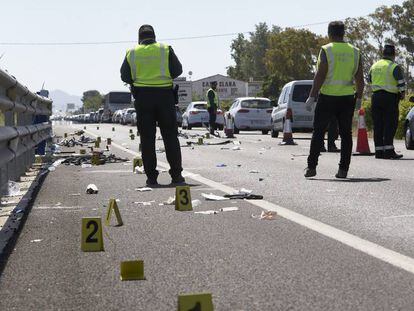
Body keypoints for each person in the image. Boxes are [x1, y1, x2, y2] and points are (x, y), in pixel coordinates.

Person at [120, 25, 185, 186]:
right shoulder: (165, 49)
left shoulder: (132, 52)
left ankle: (151, 178)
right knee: (170, 137)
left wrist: (140, 79)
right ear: (154, 36)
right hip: (165, 97)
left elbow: (124, 75)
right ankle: (176, 176)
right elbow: (177, 70)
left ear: (139, 38)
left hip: (143, 98)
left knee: (147, 139)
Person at [304, 21, 364, 178]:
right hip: (347, 99)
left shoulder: (326, 49)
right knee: (346, 134)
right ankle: (343, 170)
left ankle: (311, 167)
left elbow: (321, 74)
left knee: (318, 132)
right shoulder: (355, 52)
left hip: (328, 97)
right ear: (343, 33)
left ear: (329, 33)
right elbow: (359, 77)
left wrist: (312, 96)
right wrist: (359, 97)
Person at [368, 44, 406, 159]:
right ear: (393, 55)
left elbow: (369, 80)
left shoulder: (374, 66)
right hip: (390, 98)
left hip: (376, 97)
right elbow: (401, 83)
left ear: (383, 53)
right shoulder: (394, 66)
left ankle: (379, 151)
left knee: (378, 124)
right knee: (390, 124)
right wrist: (402, 94)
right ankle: (389, 151)